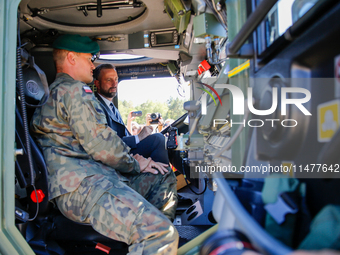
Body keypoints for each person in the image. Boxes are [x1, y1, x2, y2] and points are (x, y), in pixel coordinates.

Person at [31, 34, 178, 255]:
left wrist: (136, 162)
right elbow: (102, 145)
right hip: (83, 188)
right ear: (71, 58)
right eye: (90, 58)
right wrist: (136, 164)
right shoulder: (74, 91)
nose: (93, 65)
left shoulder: (56, 92)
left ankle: (142, 237)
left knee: (163, 176)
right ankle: (152, 238)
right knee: (161, 234)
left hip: (91, 181)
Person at [93, 64, 170, 164]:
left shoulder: (112, 107)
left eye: (116, 79)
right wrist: (138, 137)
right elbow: (107, 143)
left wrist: (143, 135)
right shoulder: (95, 106)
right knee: (158, 140)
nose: (114, 83)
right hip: (115, 155)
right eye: (108, 80)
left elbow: (124, 135)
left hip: (124, 150)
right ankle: (165, 178)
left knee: (163, 139)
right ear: (97, 84)